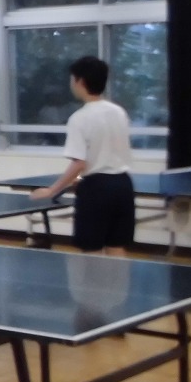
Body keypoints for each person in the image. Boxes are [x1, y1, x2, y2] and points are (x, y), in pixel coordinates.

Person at [30, 56, 135, 255]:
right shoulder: (119, 112)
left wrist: (52, 190)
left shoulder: (79, 118)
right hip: (123, 186)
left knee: (91, 249)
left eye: (72, 79)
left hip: (96, 189)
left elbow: (79, 163)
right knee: (116, 245)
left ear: (80, 81)